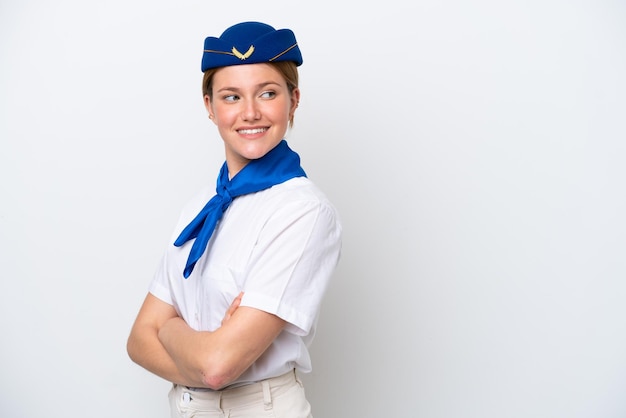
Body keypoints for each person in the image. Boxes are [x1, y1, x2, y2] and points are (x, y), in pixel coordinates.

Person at [127, 21, 342, 418]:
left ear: (294, 100)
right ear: (209, 107)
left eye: (268, 93)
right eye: (231, 96)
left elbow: (216, 367)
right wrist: (203, 350)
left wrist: (171, 328)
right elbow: (138, 341)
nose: (250, 113)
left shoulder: (302, 211)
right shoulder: (199, 207)